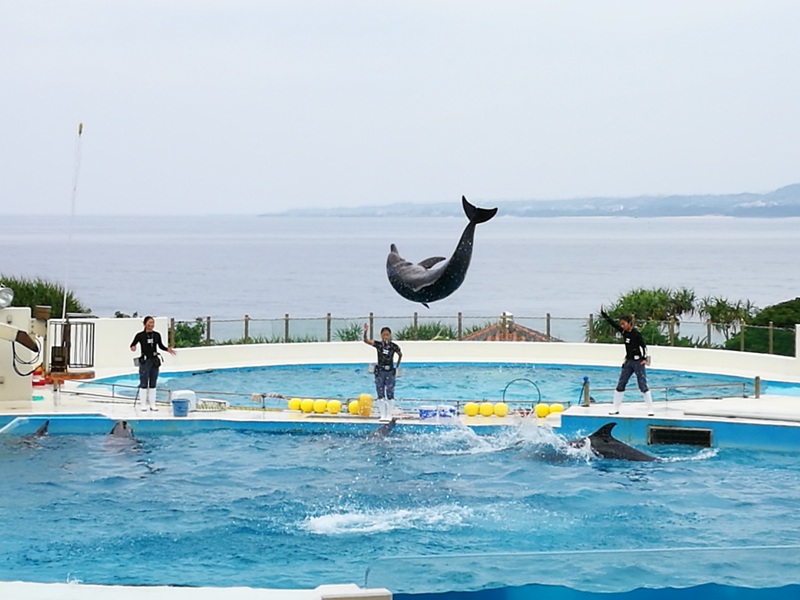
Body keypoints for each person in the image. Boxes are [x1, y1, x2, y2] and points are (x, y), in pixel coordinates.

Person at [600, 309, 654, 416]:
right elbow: (613, 324)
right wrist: (605, 315)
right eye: (621, 324)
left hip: (638, 361)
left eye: (624, 324)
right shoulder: (624, 332)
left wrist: (645, 360)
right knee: (621, 383)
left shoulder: (636, 334)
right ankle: (615, 408)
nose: (622, 326)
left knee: (642, 384)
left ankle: (650, 409)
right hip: (628, 361)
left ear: (629, 323)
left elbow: (644, 347)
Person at [130, 316, 176, 411]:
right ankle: (143, 404)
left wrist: (168, 349)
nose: (151, 325)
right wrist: (133, 347)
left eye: (153, 323)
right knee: (144, 382)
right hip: (145, 360)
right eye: (149, 323)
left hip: (154, 360)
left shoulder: (156, 335)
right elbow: (133, 344)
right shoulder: (140, 335)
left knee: (153, 382)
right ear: (145, 324)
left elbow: (161, 346)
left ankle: (152, 404)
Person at [362, 323, 402, 421]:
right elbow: (366, 341)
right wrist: (366, 332)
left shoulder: (393, 346)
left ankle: (389, 414)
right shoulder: (378, 345)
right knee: (380, 392)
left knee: (390, 392)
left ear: (390, 335)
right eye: (384, 334)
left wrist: (396, 367)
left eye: (387, 334)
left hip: (390, 371)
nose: (385, 336)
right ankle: (382, 414)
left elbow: (400, 354)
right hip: (380, 371)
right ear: (381, 335)